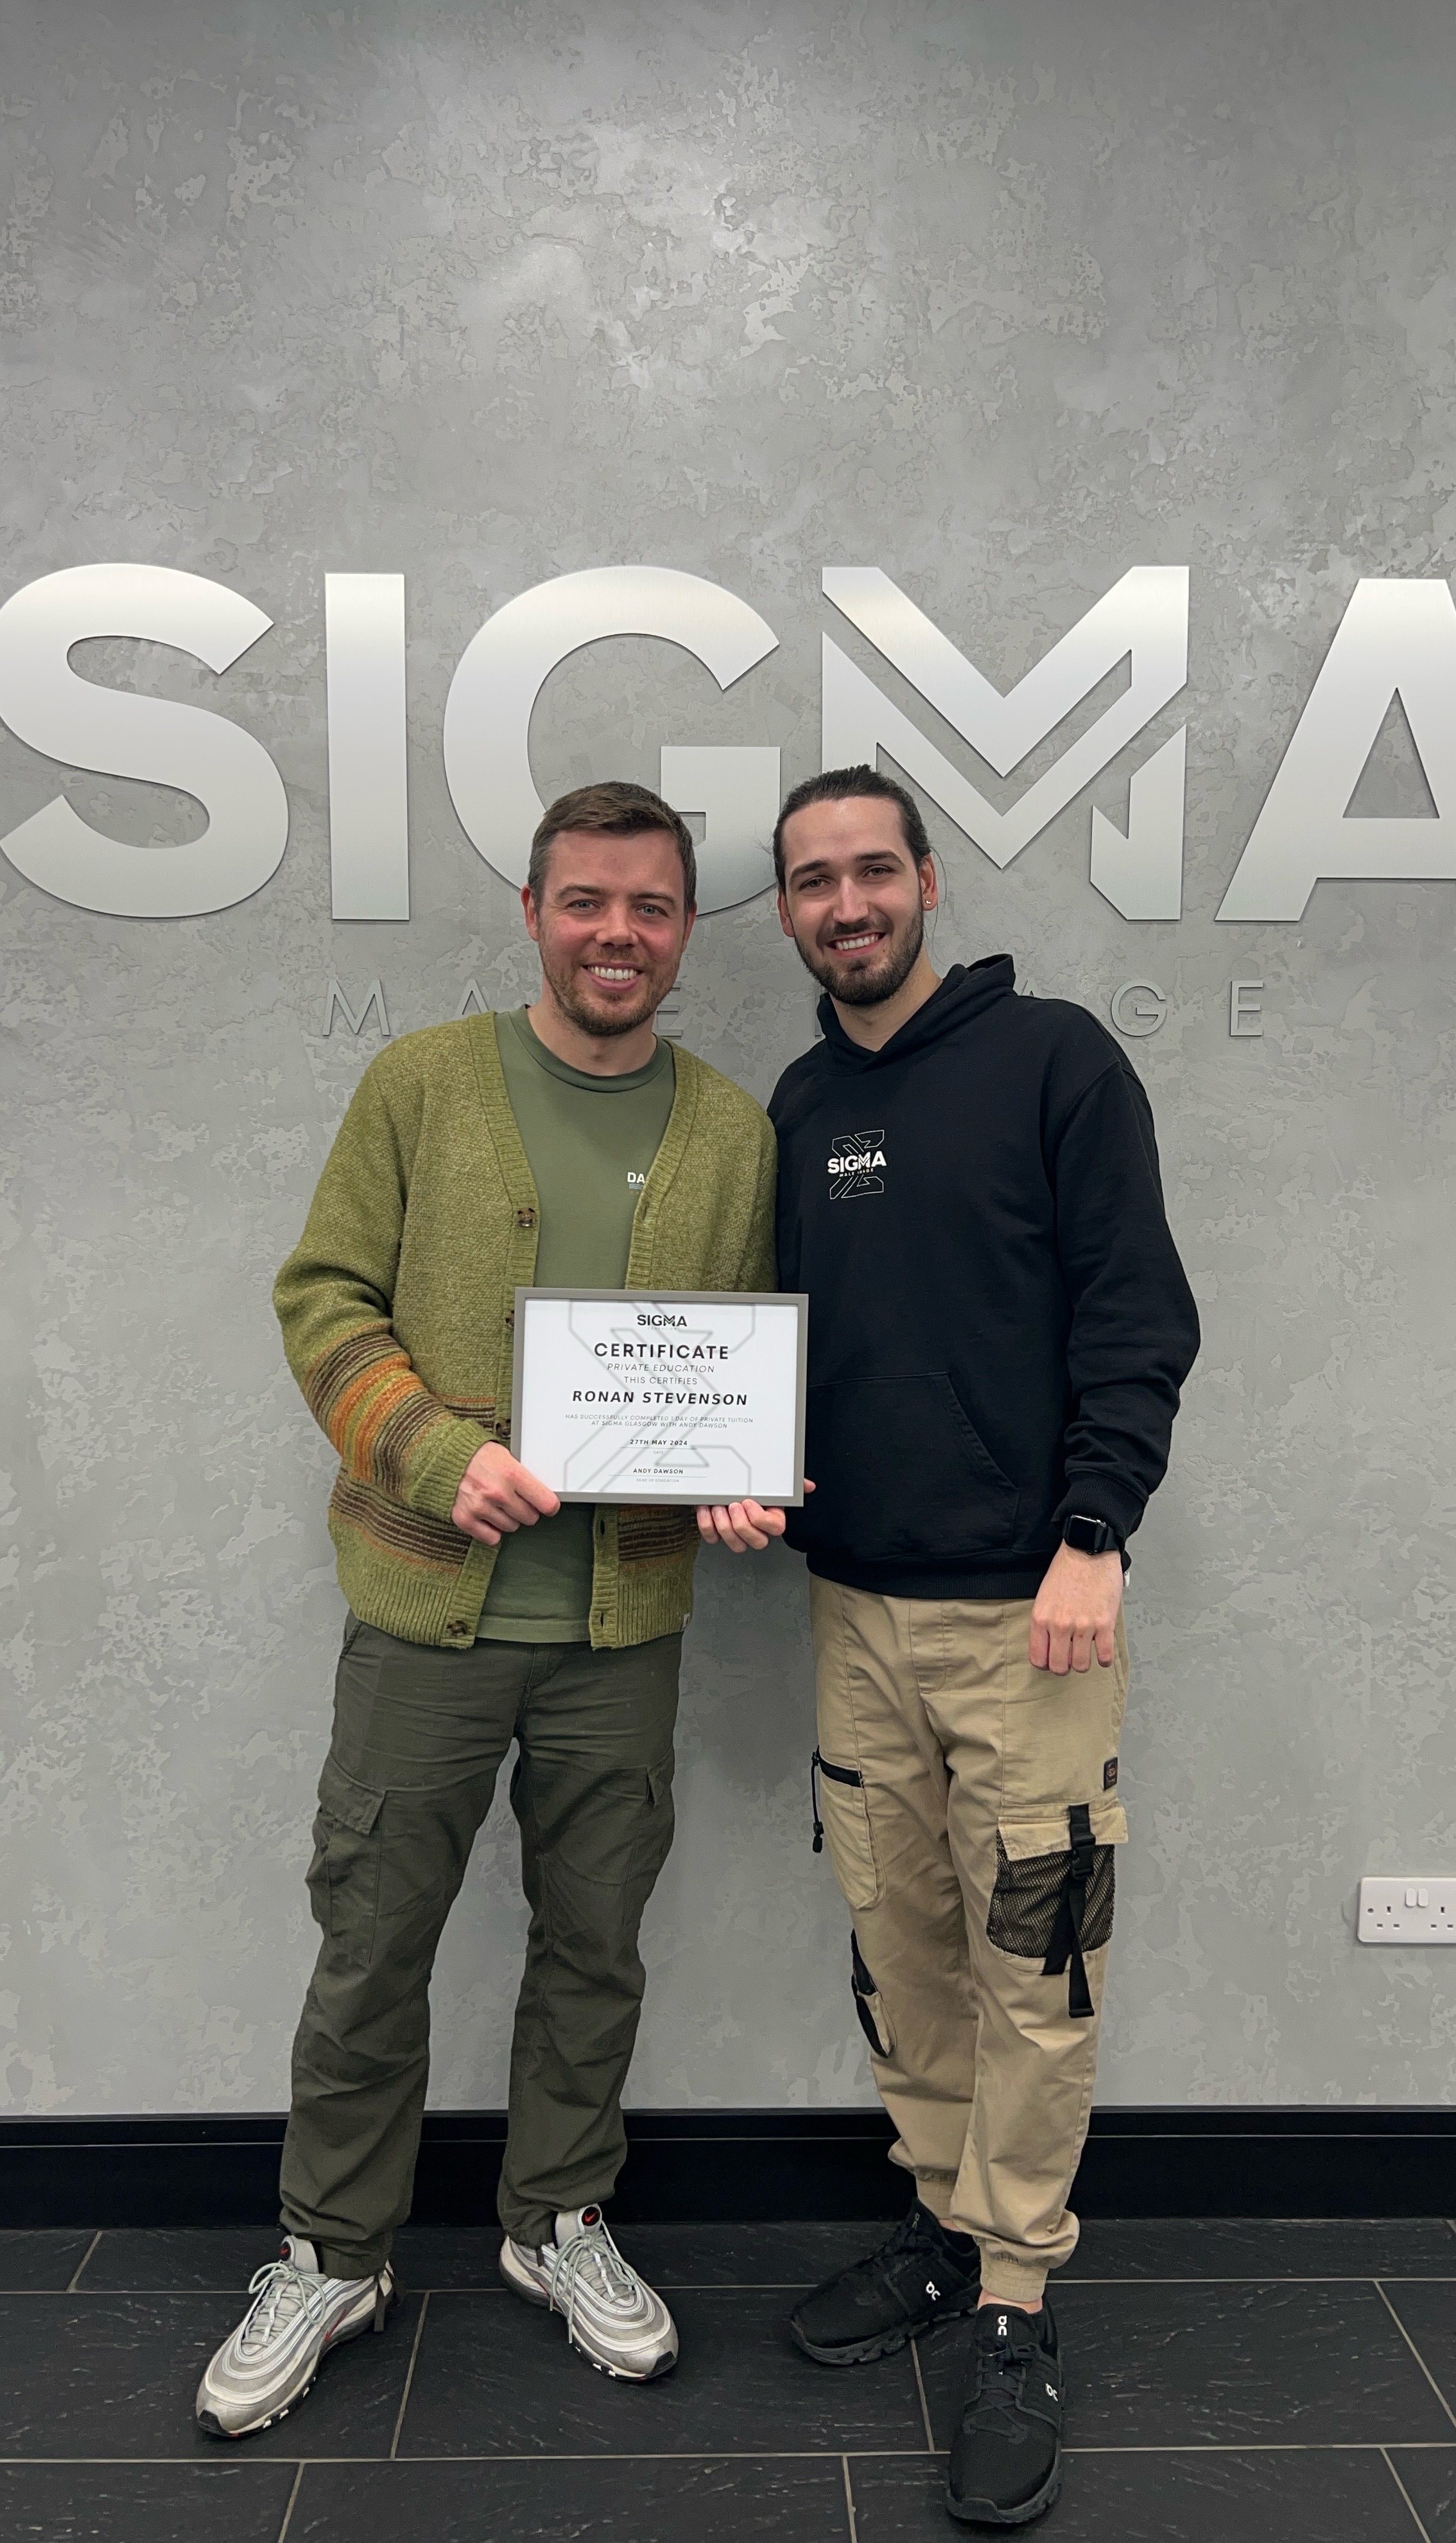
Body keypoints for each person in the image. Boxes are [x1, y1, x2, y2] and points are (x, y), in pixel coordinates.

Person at [197, 782, 785, 2439]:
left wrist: (738, 1476)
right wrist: (432, 1447)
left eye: (652, 909)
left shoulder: (733, 1129)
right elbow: (323, 1298)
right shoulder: (424, 1085)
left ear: (685, 930)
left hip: (625, 1628)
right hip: (424, 1615)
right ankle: (334, 2252)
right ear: (533, 910)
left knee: (596, 1943)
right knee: (373, 1939)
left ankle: (557, 2222)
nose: (619, 934)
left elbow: (740, 1362)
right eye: (587, 902)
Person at [767, 765, 1200, 2529]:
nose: (847, 903)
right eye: (814, 881)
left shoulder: (1056, 1063)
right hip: (853, 1615)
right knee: (903, 1947)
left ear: (928, 883)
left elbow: (1134, 1311)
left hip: (1033, 1617)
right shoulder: (799, 1100)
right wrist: (755, 1484)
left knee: (1038, 1966)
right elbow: (790, 1350)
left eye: (873, 870)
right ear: (788, 911)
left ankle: (1017, 2298)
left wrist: (1096, 1528)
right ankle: (946, 2227)